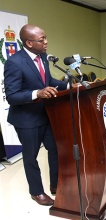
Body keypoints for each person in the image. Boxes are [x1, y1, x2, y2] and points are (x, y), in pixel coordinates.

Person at [4, 24, 68, 206]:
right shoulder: (14, 62)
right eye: (42, 40)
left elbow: (48, 80)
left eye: (45, 38)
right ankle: (37, 192)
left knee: (55, 148)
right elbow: (12, 96)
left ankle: (56, 184)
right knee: (30, 155)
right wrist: (36, 93)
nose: (46, 42)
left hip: (45, 114)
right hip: (26, 119)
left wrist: (70, 86)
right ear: (29, 43)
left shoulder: (43, 57)